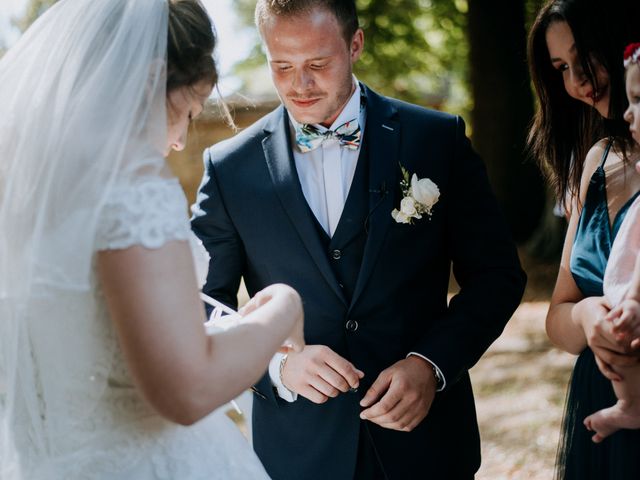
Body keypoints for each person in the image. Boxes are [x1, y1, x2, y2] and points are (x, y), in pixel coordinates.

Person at [191, 0, 526, 478]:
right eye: (281, 66)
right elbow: (200, 304)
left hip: (426, 444)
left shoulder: (436, 139)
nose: (299, 85)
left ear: (355, 44)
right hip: (298, 452)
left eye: (317, 65)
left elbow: (496, 276)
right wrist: (276, 365)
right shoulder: (229, 169)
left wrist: (431, 364)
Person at [0, 0, 304, 478]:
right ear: (148, 81)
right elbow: (187, 390)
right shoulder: (132, 186)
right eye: (188, 110)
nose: (181, 141)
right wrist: (284, 308)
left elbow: (98, 343)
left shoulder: (23, 190)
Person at [528, 1, 640, 478]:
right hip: (603, 398)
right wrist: (587, 316)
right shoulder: (596, 162)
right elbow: (558, 315)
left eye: (585, 56)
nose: (578, 80)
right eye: (561, 69)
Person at [583, 43, 640, 443]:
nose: (626, 111)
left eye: (638, 99)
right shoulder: (603, 161)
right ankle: (630, 402)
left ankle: (631, 405)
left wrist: (635, 296)